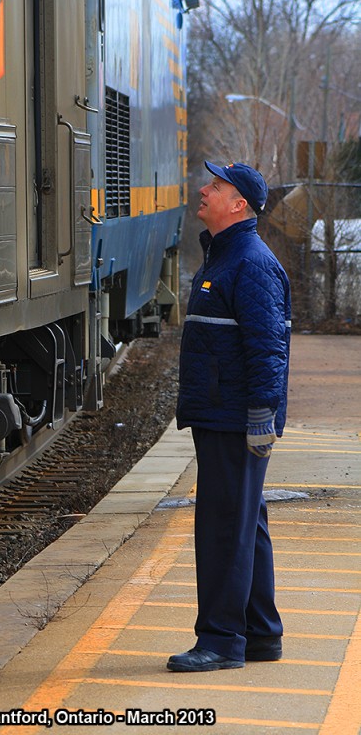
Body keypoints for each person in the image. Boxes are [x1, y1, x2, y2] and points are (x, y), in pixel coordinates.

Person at [167, 161, 291, 673]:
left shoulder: (250, 262)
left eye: (215, 187)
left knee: (223, 526)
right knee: (245, 522)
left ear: (239, 203)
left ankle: (220, 640)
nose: (204, 190)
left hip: (234, 416)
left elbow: (269, 348)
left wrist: (262, 414)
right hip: (221, 412)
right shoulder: (226, 255)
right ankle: (261, 634)